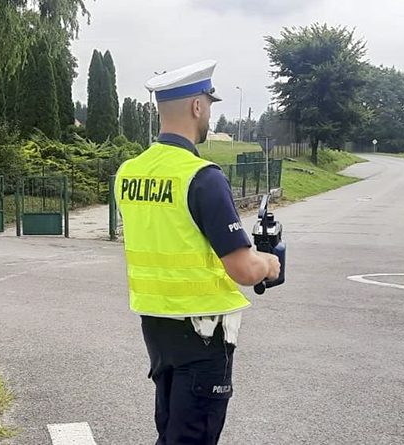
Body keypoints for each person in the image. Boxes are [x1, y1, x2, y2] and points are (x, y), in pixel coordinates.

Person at [114, 60, 281, 444]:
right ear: (196, 107)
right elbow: (242, 268)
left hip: (156, 326)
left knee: (172, 432)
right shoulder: (202, 177)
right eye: (209, 104)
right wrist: (268, 264)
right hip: (203, 332)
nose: (209, 113)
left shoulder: (129, 173)